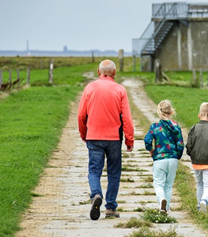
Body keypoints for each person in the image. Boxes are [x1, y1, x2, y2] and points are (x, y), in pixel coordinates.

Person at [78, 59, 134, 220]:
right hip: (114, 138)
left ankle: (96, 194)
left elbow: (81, 115)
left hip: (94, 136)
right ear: (114, 72)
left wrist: (84, 133)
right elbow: (127, 118)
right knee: (114, 172)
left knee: (94, 170)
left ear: (99, 72)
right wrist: (129, 139)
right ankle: (110, 207)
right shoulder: (120, 90)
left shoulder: (89, 88)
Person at [144, 99, 184, 215]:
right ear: (171, 112)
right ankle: (166, 208)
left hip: (159, 159)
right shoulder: (176, 127)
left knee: (158, 184)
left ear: (159, 112)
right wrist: (177, 155)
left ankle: (161, 201)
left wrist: (151, 150)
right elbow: (180, 144)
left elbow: (147, 140)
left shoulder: (155, 127)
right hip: (173, 159)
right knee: (168, 186)